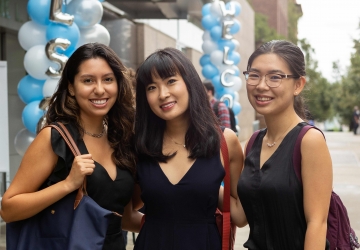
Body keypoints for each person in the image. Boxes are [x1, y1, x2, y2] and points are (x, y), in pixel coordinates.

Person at [0, 43, 142, 250]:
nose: (100, 89)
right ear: (71, 88)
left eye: (108, 79)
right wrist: (67, 184)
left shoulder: (123, 139)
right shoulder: (55, 137)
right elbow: (8, 208)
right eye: (88, 80)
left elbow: (125, 217)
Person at [133, 47, 243, 250]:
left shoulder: (225, 141)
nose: (163, 94)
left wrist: (206, 190)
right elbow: (125, 212)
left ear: (189, 82)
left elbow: (240, 216)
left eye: (171, 81)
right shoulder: (139, 145)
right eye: (151, 87)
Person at [232, 40, 333, 249]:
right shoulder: (253, 143)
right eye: (254, 75)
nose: (261, 85)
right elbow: (241, 215)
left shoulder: (309, 140)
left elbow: (317, 223)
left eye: (275, 77)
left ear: (298, 85)